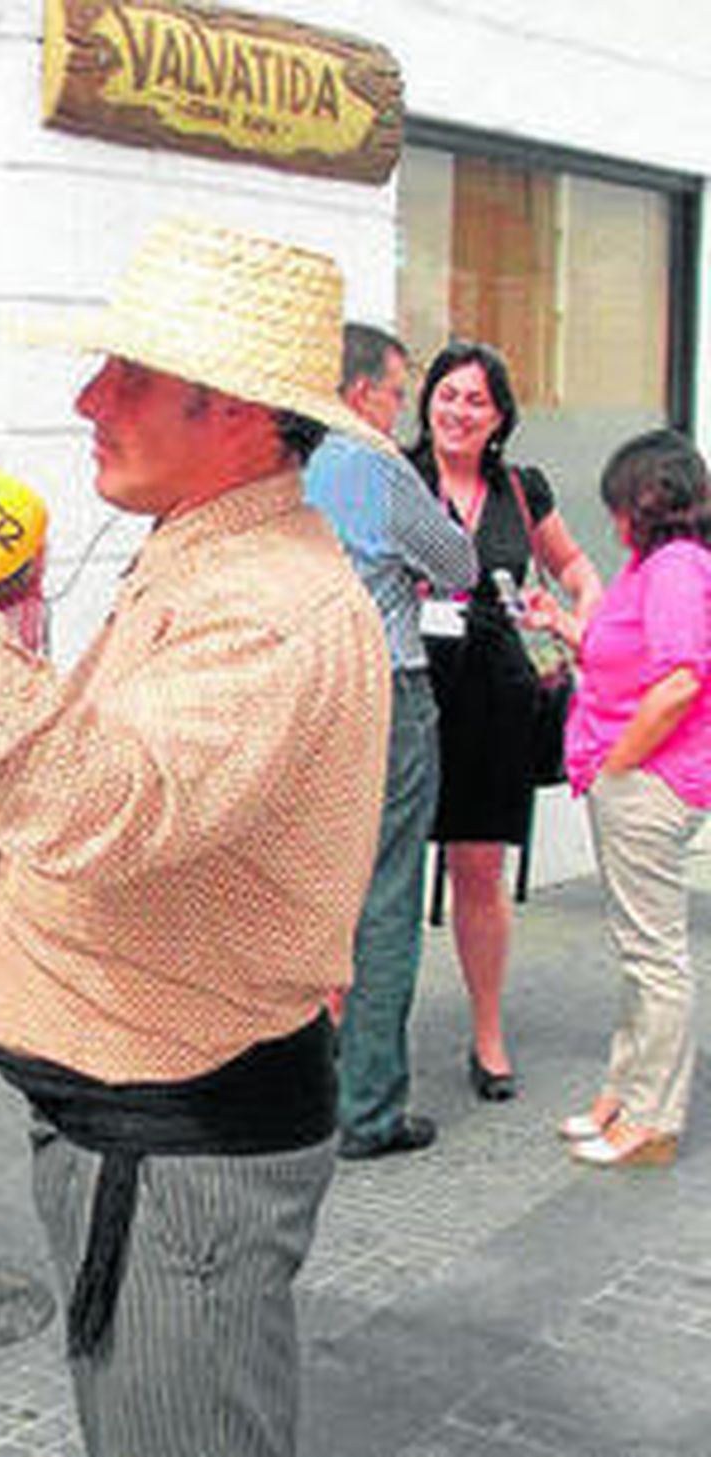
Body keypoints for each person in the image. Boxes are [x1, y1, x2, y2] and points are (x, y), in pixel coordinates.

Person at [0, 216, 391, 1457]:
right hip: (141, 1141)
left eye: (128, 376)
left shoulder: (270, 606)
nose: (85, 398)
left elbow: (94, 803)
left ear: (234, 411)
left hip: (179, 1158)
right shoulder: (211, 556)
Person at [406, 341, 602, 1101]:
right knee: (377, 871)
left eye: (475, 400)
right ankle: (343, 1028)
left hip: (493, 695)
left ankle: (488, 1034)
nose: (457, 410)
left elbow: (579, 569)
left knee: (477, 872)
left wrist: (576, 612)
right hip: (410, 686)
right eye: (447, 394)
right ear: (428, 400)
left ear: (499, 417)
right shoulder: (400, 478)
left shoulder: (522, 489)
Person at [304, 324, 478, 1159]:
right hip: (386, 689)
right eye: (397, 390)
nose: (401, 406)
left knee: (312, 892)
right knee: (385, 900)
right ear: (358, 390)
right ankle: (368, 1109)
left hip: (305, 696)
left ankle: (305, 1080)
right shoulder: (373, 462)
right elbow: (459, 562)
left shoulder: (280, 457)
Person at [533, 429, 711, 1167]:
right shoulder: (652, 567)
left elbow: (680, 681)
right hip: (634, 774)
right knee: (638, 951)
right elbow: (627, 663)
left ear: (645, 499)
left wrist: (621, 766)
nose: (612, 519)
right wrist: (565, 628)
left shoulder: (675, 568)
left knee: (653, 955)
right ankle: (624, 1095)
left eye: (618, 502)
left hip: (648, 781)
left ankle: (652, 1117)